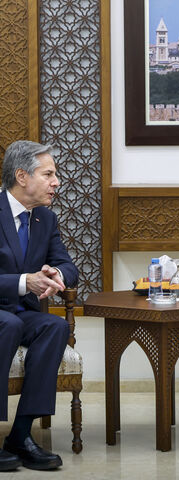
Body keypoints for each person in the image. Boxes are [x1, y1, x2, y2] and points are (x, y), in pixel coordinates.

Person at [0, 140, 78, 471]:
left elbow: (69, 267)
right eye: (48, 174)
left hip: (20, 314)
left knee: (55, 325)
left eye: (55, 175)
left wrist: (55, 272)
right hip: (7, 317)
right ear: (22, 176)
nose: (56, 182)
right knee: (11, 324)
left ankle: (21, 435)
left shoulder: (45, 219)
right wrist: (24, 282)